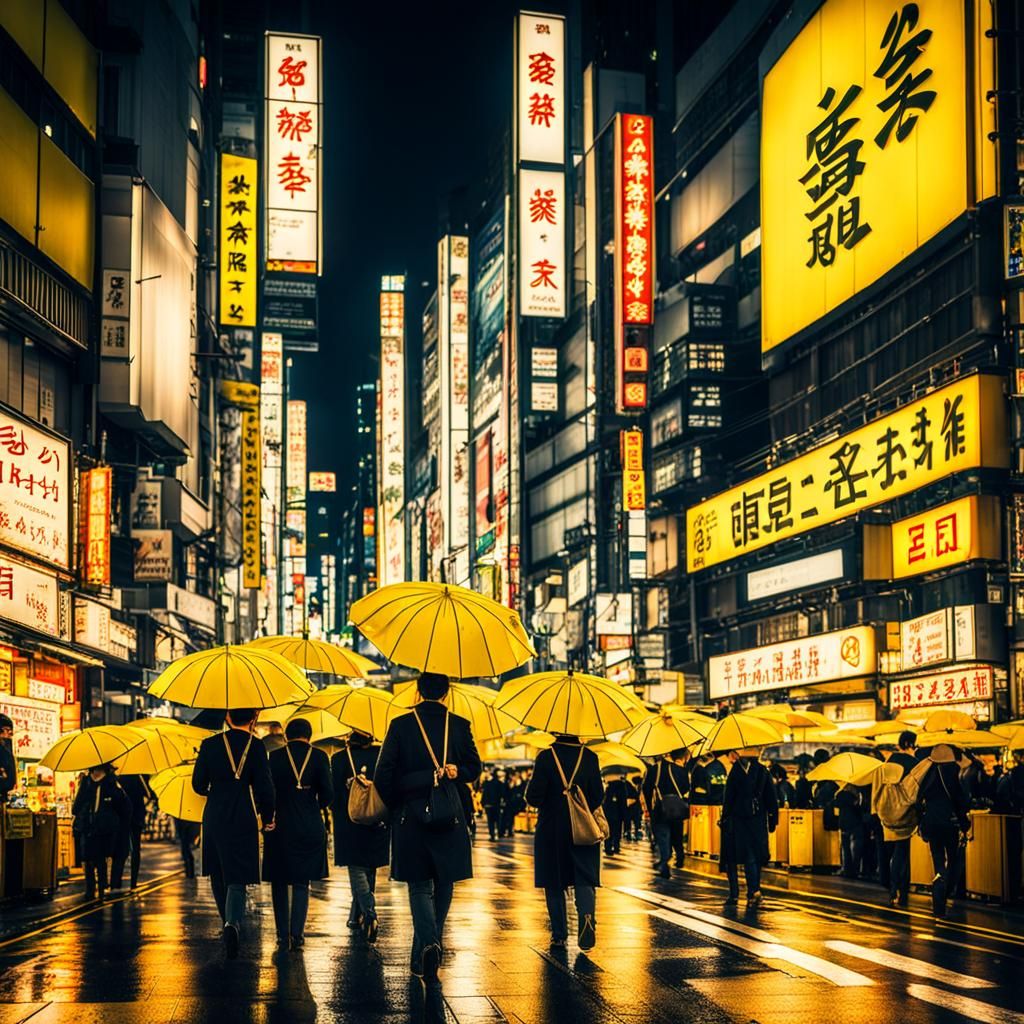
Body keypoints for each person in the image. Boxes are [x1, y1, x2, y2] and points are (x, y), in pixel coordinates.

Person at [374, 672, 481, 983]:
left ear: (417, 692)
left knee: (420, 885)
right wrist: (456, 770)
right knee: (444, 881)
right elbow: (474, 768)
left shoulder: (400, 725)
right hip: (450, 816)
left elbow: (384, 774)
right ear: (446, 694)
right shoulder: (459, 726)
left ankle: (429, 944)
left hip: (411, 819)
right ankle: (430, 947)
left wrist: (399, 804)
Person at [191, 707, 276, 959]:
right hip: (243, 815)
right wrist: (268, 817)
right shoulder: (256, 746)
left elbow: (198, 784)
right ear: (253, 718)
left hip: (215, 814)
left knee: (218, 871)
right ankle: (232, 923)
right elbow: (265, 787)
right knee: (237, 875)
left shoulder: (209, 744)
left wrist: (214, 790)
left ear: (227, 717)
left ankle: (225, 921)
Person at [526, 734, 604, 951]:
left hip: (552, 828)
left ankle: (559, 935)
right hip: (584, 827)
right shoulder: (590, 757)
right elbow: (598, 795)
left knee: (554, 880)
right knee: (585, 876)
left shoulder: (546, 757)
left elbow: (534, 797)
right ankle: (587, 919)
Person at [262, 717, 332, 950]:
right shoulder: (320, 757)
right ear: (309, 736)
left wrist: (267, 817)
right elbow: (328, 797)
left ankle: (282, 934)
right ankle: (297, 934)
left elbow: (266, 793)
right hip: (310, 824)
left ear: (286, 736)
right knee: (302, 882)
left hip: (280, 825)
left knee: (279, 881)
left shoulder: (275, 757)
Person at [331, 728, 390, 942]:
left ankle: (369, 913)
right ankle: (356, 916)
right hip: (378, 818)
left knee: (356, 867)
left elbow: (331, 794)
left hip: (348, 821)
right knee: (369, 867)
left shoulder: (338, 759)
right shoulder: (382, 756)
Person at [719, 750, 778, 906]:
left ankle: (736, 894)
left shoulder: (735, 772)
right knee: (753, 856)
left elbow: (728, 799)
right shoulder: (763, 772)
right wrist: (773, 819)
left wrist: (724, 818)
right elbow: (771, 797)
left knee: (736, 856)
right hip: (757, 820)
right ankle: (753, 891)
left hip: (738, 820)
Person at [918, 743, 970, 918]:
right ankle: (945, 888)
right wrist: (965, 824)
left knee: (938, 858)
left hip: (932, 824)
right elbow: (959, 801)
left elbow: (919, 800)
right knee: (953, 858)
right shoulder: (953, 773)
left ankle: (939, 884)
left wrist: (921, 823)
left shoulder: (927, 774)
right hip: (950, 823)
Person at [71, 763, 131, 901]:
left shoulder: (111, 782)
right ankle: (92, 889)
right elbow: (77, 805)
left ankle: (99, 888)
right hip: (89, 825)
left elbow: (123, 805)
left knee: (98, 857)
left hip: (103, 827)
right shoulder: (87, 781)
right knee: (89, 858)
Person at [642, 753, 689, 878]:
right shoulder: (680, 769)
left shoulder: (654, 770)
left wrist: (649, 807)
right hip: (677, 808)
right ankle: (679, 854)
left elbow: (646, 789)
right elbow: (686, 787)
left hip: (661, 809)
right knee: (676, 834)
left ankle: (665, 863)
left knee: (663, 836)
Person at [110, 774, 152, 890]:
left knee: (120, 850)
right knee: (135, 849)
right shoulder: (139, 775)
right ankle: (133, 881)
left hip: (122, 817)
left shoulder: (117, 777)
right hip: (136, 816)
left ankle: (116, 882)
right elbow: (149, 794)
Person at [835, 782, 865, 878]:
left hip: (844, 824)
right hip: (855, 824)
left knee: (845, 848)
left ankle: (846, 869)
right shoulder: (855, 796)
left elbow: (836, 807)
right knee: (855, 848)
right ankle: (855, 870)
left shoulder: (839, 795)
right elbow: (859, 809)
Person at [602, 771, 628, 855]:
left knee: (609, 830)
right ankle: (616, 846)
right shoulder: (622, 787)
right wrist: (625, 815)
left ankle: (608, 847)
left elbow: (604, 801)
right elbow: (623, 803)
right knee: (617, 830)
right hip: (618, 813)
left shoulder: (608, 787)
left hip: (608, 812)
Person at [481, 768, 507, 841]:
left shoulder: (497, 783)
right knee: (490, 821)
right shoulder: (486, 783)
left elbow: (502, 793)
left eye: (486, 772)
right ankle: (492, 835)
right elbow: (484, 794)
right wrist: (483, 803)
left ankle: (498, 834)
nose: (485, 773)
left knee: (497, 820)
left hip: (495, 805)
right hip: (488, 805)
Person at [0, 714, 15, 805]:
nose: (7, 736)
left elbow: (10, 781)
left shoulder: (7, 750)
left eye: (10, 733)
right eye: (2, 731)